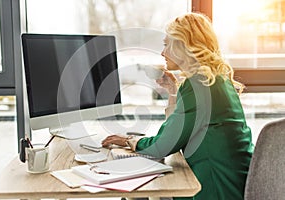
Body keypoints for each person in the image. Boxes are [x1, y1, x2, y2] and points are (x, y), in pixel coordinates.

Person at [102, 12, 254, 200]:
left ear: (183, 45)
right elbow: (176, 133)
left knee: (135, 192)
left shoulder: (198, 85)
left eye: (166, 44)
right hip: (234, 184)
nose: (163, 52)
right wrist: (173, 92)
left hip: (213, 190)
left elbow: (163, 146)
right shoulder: (215, 80)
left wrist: (129, 141)